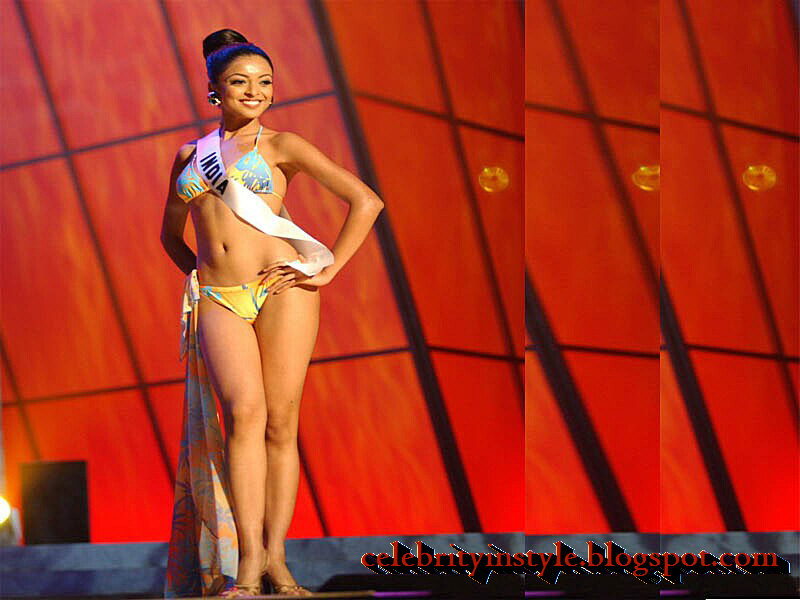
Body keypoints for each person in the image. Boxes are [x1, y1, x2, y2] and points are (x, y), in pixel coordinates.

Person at [160, 28, 384, 597]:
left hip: (283, 291)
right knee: (244, 416)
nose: (254, 91)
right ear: (215, 90)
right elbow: (169, 235)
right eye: (239, 82)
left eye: (264, 82)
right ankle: (248, 564)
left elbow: (366, 201)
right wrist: (203, 277)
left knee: (281, 423)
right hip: (220, 298)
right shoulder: (189, 157)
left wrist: (325, 270)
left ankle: (278, 560)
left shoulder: (284, 146)